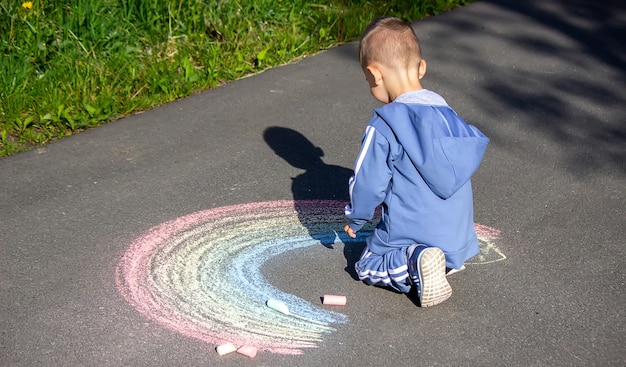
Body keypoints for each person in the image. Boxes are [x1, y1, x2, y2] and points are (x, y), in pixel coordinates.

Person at [343, 17, 489, 307]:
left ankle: (414, 261)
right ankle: (442, 262)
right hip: (457, 243)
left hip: (413, 237)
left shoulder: (384, 125)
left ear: (375, 75)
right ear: (421, 67)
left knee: (366, 265)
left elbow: (368, 183)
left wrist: (356, 218)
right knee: (434, 243)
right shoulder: (451, 117)